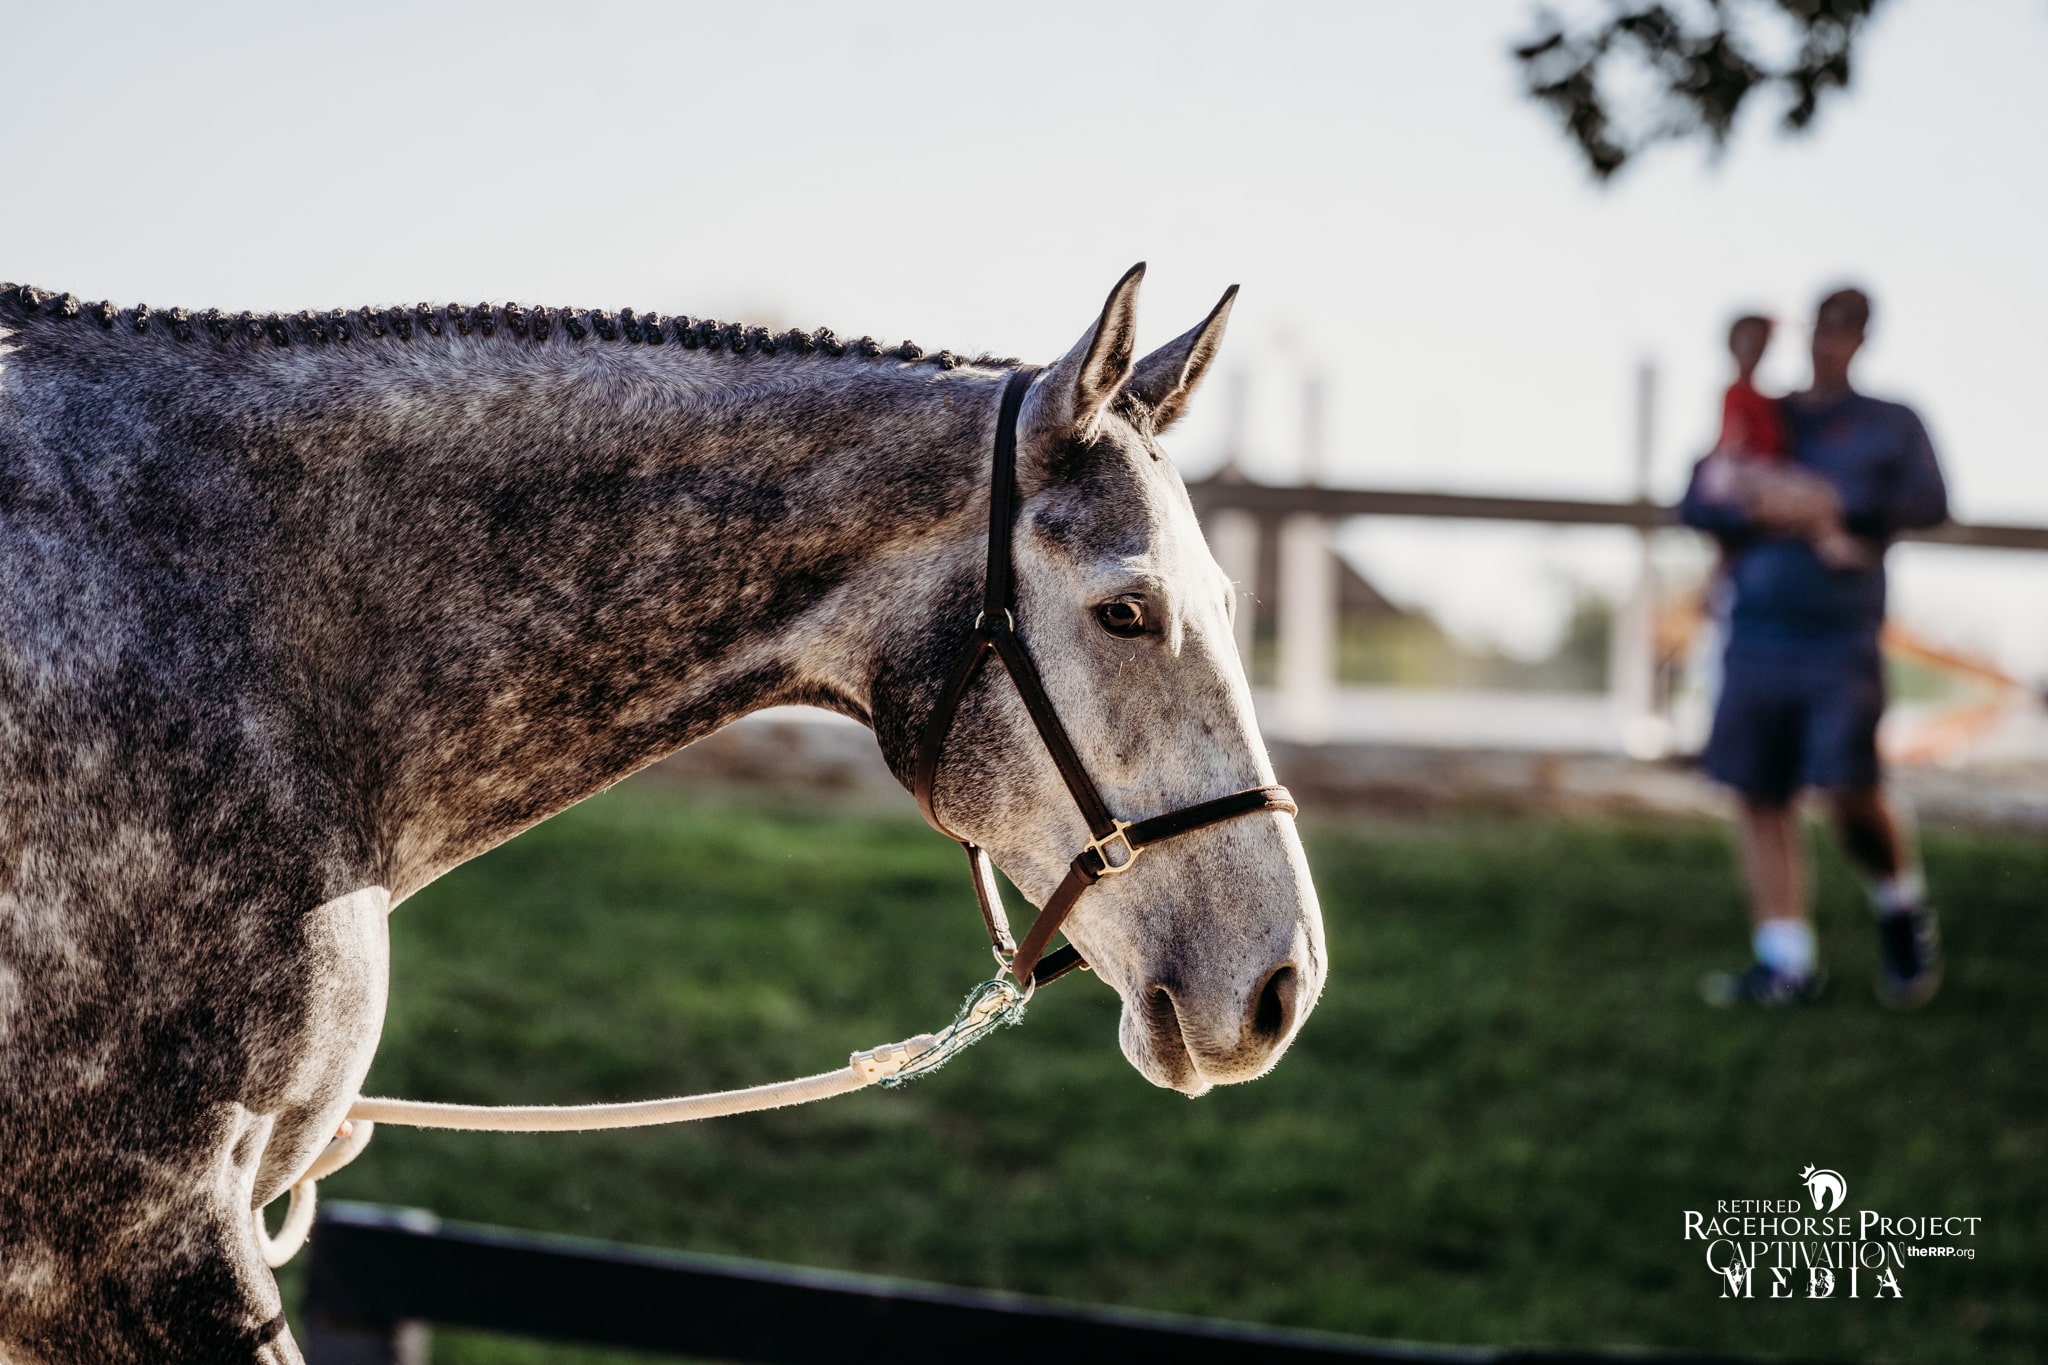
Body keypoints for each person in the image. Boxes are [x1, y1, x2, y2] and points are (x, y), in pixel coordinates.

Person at [1679, 287, 1948, 1009]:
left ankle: (1899, 902)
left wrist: (1834, 506)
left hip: (1840, 635)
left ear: (1862, 337)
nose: (1827, 342)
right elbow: (1699, 496)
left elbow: (1929, 502)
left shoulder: (1890, 425)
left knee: (1847, 787)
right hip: (1757, 628)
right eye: (1820, 327)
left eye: (1844, 329)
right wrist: (1764, 497)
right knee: (1757, 789)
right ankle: (1785, 961)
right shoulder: (1769, 415)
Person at [1697, 314, 1873, 571]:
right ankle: (1832, 544)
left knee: (1818, 494)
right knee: (1815, 497)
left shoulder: (1771, 401)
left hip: (1759, 472)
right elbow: (1730, 447)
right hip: (1747, 471)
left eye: (1759, 344)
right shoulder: (1737, 394)